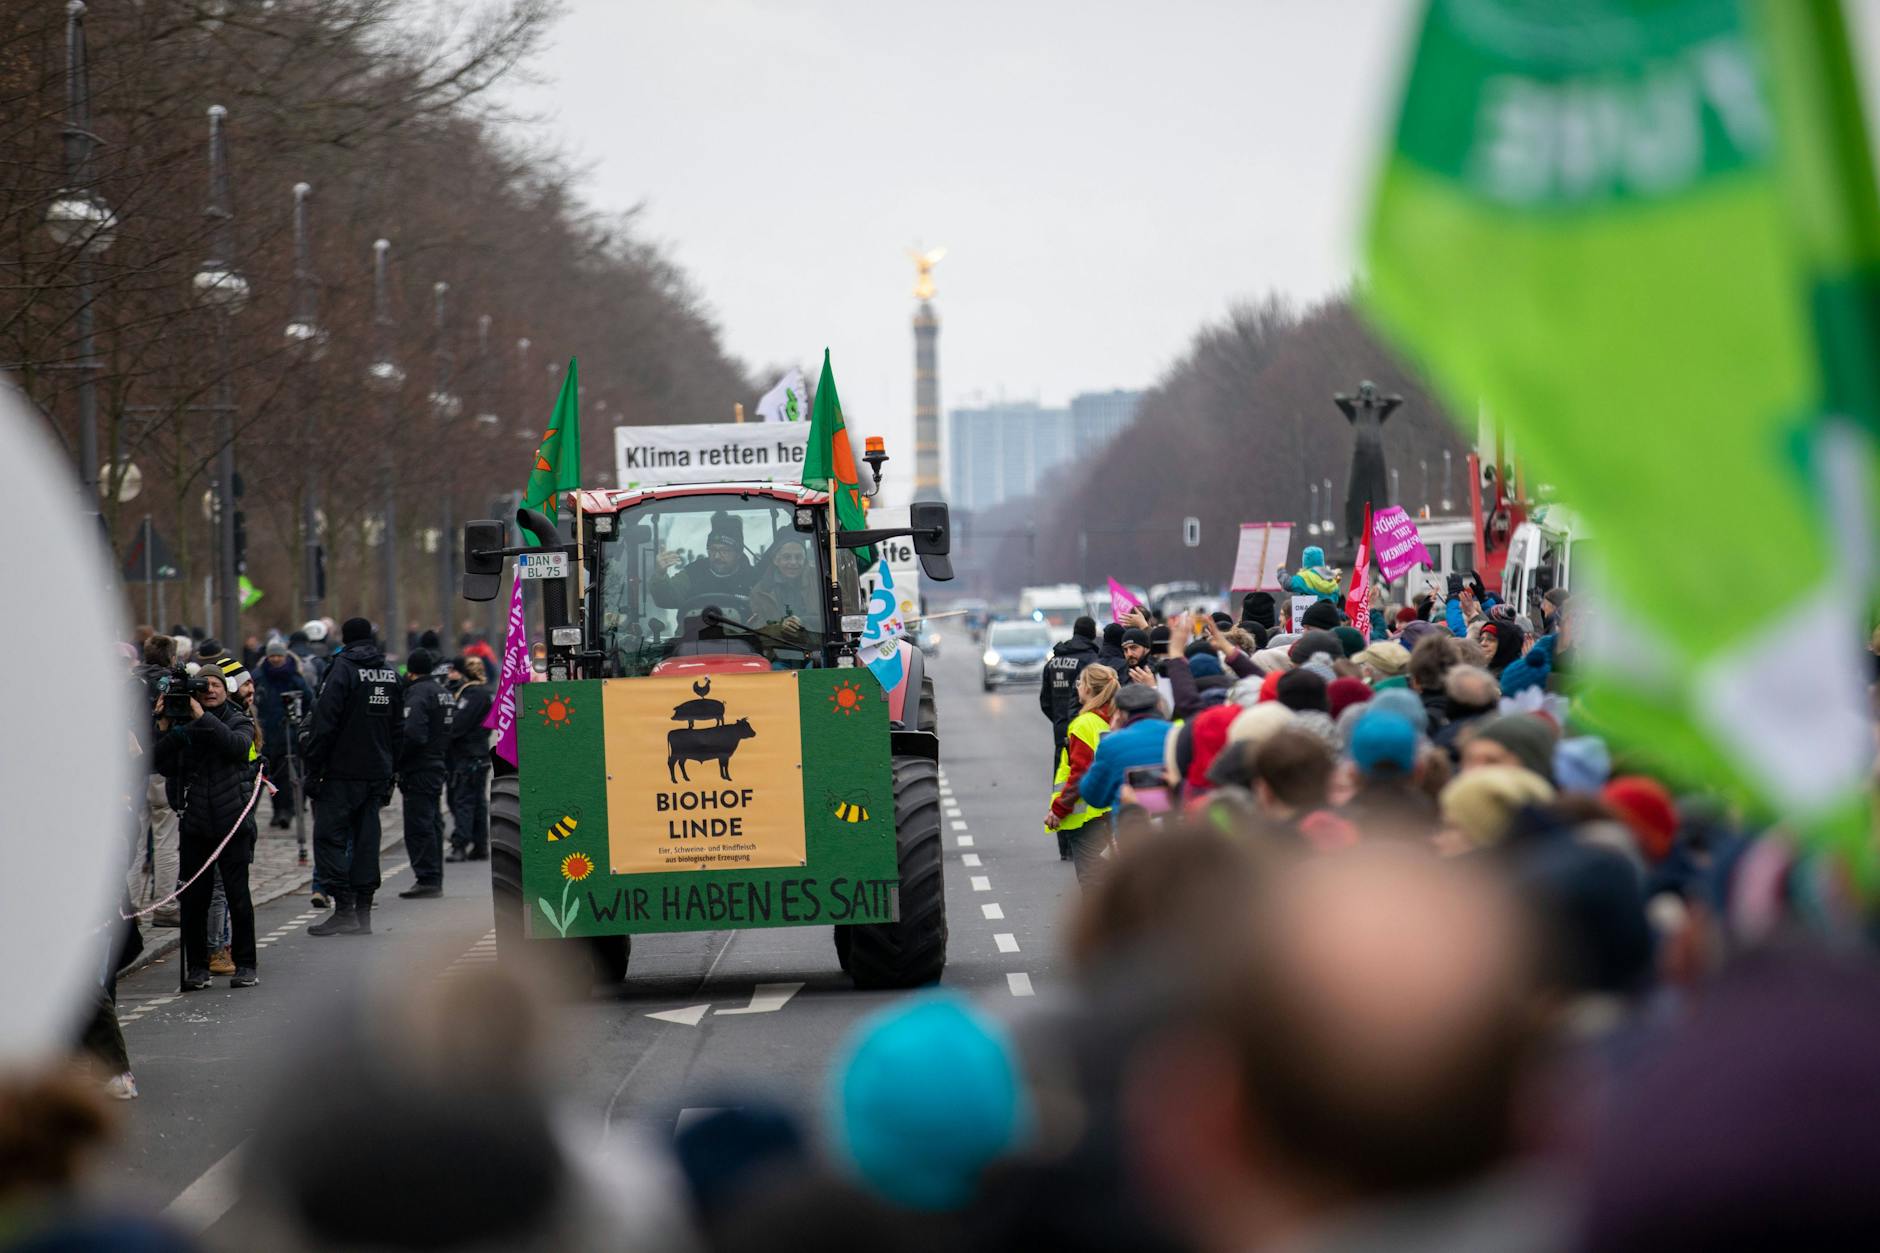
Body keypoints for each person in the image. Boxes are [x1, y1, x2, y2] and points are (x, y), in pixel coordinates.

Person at [153, 667, 260, 989]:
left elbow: (238, 748)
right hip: (196, 822)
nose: (210, 690)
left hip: (233, 822)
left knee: (238, 898)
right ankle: (197, 967)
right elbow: (161, 763)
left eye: (216, 685)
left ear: (226, 690)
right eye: (204, 685)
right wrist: (162, 727)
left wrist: (202, 719)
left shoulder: (238, 719)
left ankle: (246, 965)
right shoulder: (184, 725)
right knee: (194, 900)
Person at [303, 617, 403, 937]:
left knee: (327, 838)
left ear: (344, 639)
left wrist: (313, 767)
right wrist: (392, 771)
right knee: (366, 842)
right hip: (376, 772)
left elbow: (325, 721)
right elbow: (398, 730)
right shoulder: (390, 673)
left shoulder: (342, 669)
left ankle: (344, 908)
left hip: (341, 772)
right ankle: (363, 913)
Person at [1045, 664, 1119, 883]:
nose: (1077, 687)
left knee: (1093, 881)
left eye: (1080, 682)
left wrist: (1058, 809)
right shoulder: (1115, 720)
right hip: (1113, 812)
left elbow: (1080, 774)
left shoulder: (1083, 724)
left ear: (1089, 689)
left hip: (1089, 819)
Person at [396, 649, 452, 899]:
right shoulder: (444, 692)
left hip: (419, 767)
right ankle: (434, 875)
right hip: (438, 762)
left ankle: (427, 877)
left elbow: (413, 734)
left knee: (419, 825)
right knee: (433, 822)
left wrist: (398, 761)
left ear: (411, 671)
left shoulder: (419, 694)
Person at [1074, 684, 1174, 817]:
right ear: (1158, 706)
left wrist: (1111, 734)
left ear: (1120, 713)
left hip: (1131, 829)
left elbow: (1094, 797)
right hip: (1178, 826)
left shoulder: (1111, 744)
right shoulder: (1179, 732)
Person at [254, 639, 313, 830]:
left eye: (279, 655)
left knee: (286, 777)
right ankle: (276, 811)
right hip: (264, 734)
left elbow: (308, 701)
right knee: (268, 776)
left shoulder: (295, 678)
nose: (276, 659)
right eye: (273, 656)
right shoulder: (259, 677)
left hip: (288, 734)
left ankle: (285, 811)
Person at [652, 512, 756, 610]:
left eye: (724, 550)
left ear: (738, 553)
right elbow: (665, 600)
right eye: (712, 549)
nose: (717, 556)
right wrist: (660, 575)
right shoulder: (692, 573)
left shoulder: (753, 579)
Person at [447, 656, 494, 862]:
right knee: (477, 801)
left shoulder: (473, 694)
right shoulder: (481, 692)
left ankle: (462, 844)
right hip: (477, 754)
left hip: (469, 754)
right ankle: (480, 844)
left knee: (464, 799)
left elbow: (458, 724)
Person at [1041, 616, 1101, 764]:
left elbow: (1045, 702)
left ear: (1074, 631)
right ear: (1093, 634)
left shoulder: (1053, 662)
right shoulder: (1092, 661)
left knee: (1061, 778)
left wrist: (1060, 720)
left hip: (1061, 732)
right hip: (1085, 732)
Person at [748, 535, 823, 642]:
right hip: (777, 650)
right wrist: (779, 627)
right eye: (787, 557)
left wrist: (802, 621)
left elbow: (840, 615)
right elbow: (756, 629)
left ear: (805, 559)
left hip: (818, 646)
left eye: (798, 557)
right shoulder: (760, 591)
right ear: (776, 560)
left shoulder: (820, 581)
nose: (793, 562)